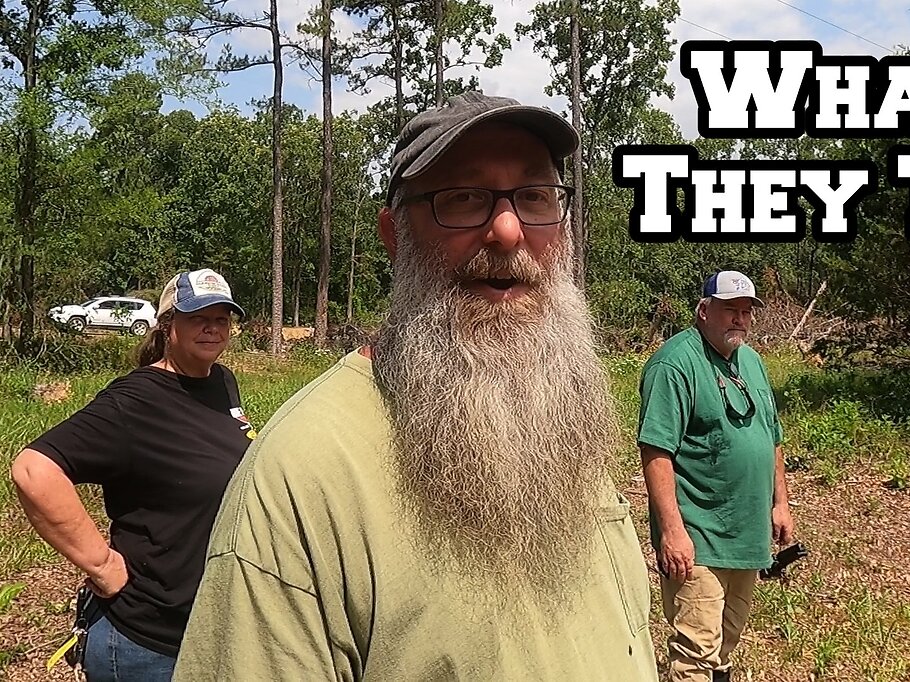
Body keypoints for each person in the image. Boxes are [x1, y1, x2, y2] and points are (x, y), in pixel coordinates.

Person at [172, 92, 659, 681]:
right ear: (395, 236)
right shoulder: (303, 480)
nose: (507, 230)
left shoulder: (557, 420)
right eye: (463, 199)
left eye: (534, 197)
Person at [10, 269, 252, 681]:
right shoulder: (135, 401)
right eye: (197, 317)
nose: (212, 328)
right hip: (147, 643)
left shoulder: (221, 382)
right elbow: (34, 470)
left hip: (204, 629)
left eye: (221, 318)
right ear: (167, 325)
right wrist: (103, 566)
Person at [636, 270, 797, 682]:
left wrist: (780, 504)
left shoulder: (752, 361)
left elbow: (772, 437)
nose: (739, 319)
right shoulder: (675, 364)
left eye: (745, 312)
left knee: (727, 640)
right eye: (730, 310)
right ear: (704, 310)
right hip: (699, 534)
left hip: (747, 531)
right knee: (696, 650)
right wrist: (673, 532)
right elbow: (656, 449)